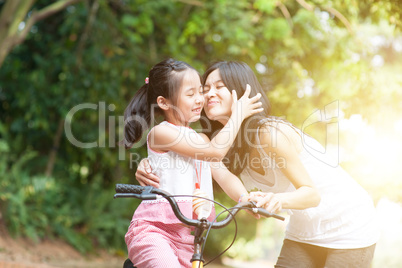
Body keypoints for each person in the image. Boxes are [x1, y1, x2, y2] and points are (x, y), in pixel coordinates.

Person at [136, 61, 380, 268]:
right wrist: (150, 163)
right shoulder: (221, 141)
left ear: (242, 92)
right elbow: (212, 163)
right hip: (305, 226)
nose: (207, 95)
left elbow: (311, 194)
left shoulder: (270, 134)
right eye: (204, 88)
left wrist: (265, 199)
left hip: (348, 224)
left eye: (218, 87)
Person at [122, 58, 262, 268]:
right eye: (190, 94)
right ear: (164, 102)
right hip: (154, 231)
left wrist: (245, 197)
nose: (200, 99)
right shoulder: (162, 132)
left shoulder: (202, 140)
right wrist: (238, 114)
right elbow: (214, 153)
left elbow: (223, 175)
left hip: (188, 238)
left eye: (200, 91)